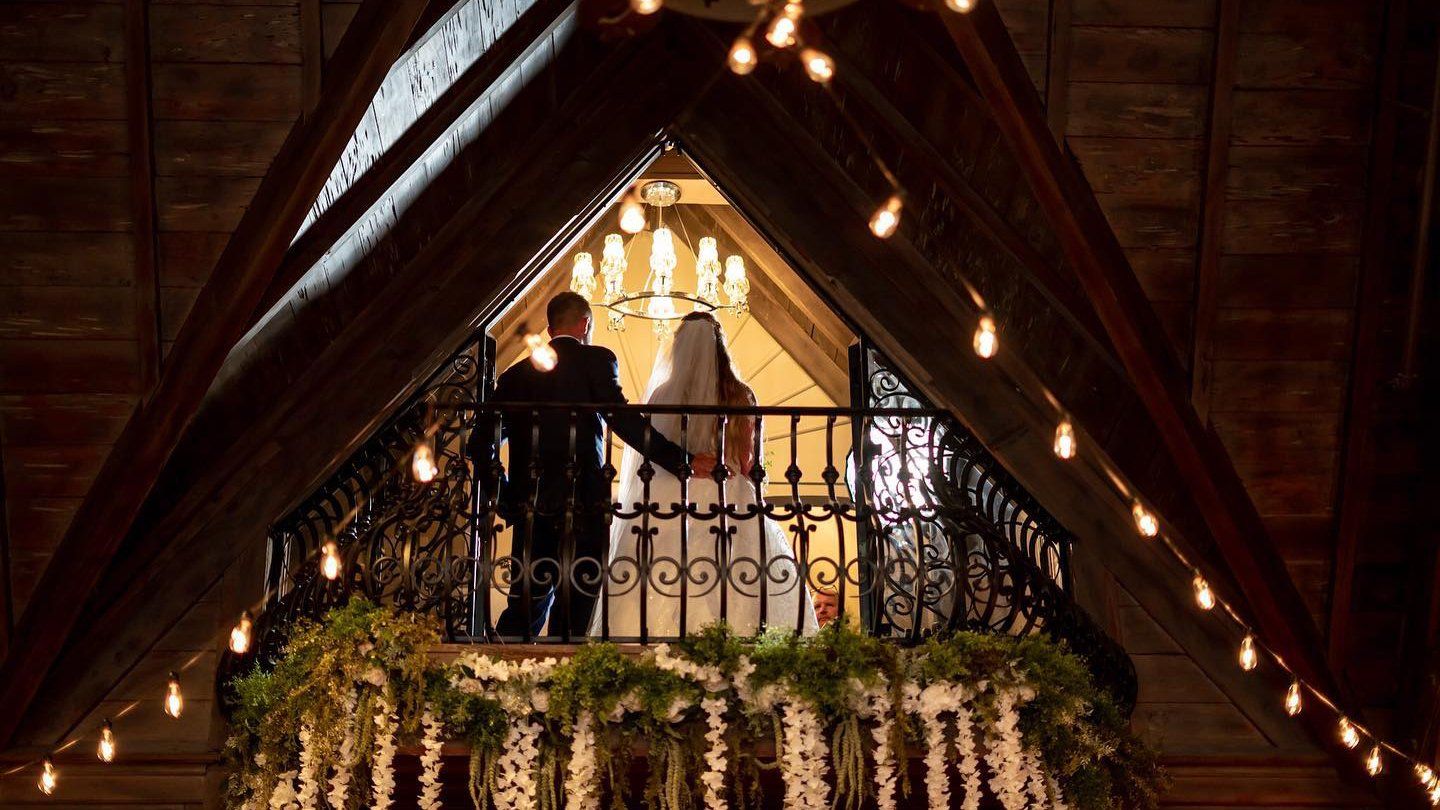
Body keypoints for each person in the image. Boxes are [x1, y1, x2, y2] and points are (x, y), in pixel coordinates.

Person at [482, 292, 714, 638]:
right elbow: (623, 422)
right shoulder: (597, 360)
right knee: (577, 602)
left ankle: (496, 676)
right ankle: (565, 679)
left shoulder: (516, 376)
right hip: (586, 501)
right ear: (585, 324)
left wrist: (503, 497)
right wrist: (682, 461)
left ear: (549, 328)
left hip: (530, 505)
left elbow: (480, 444)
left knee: (524, 605)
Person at [589, 311, 818, 638]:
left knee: (661, 568)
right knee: (736, 574)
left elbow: (649, 449)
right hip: (728, 492)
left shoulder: (662, 394)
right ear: (720, 348)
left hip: (670, 493)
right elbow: (749, 462)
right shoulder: (741, 394)